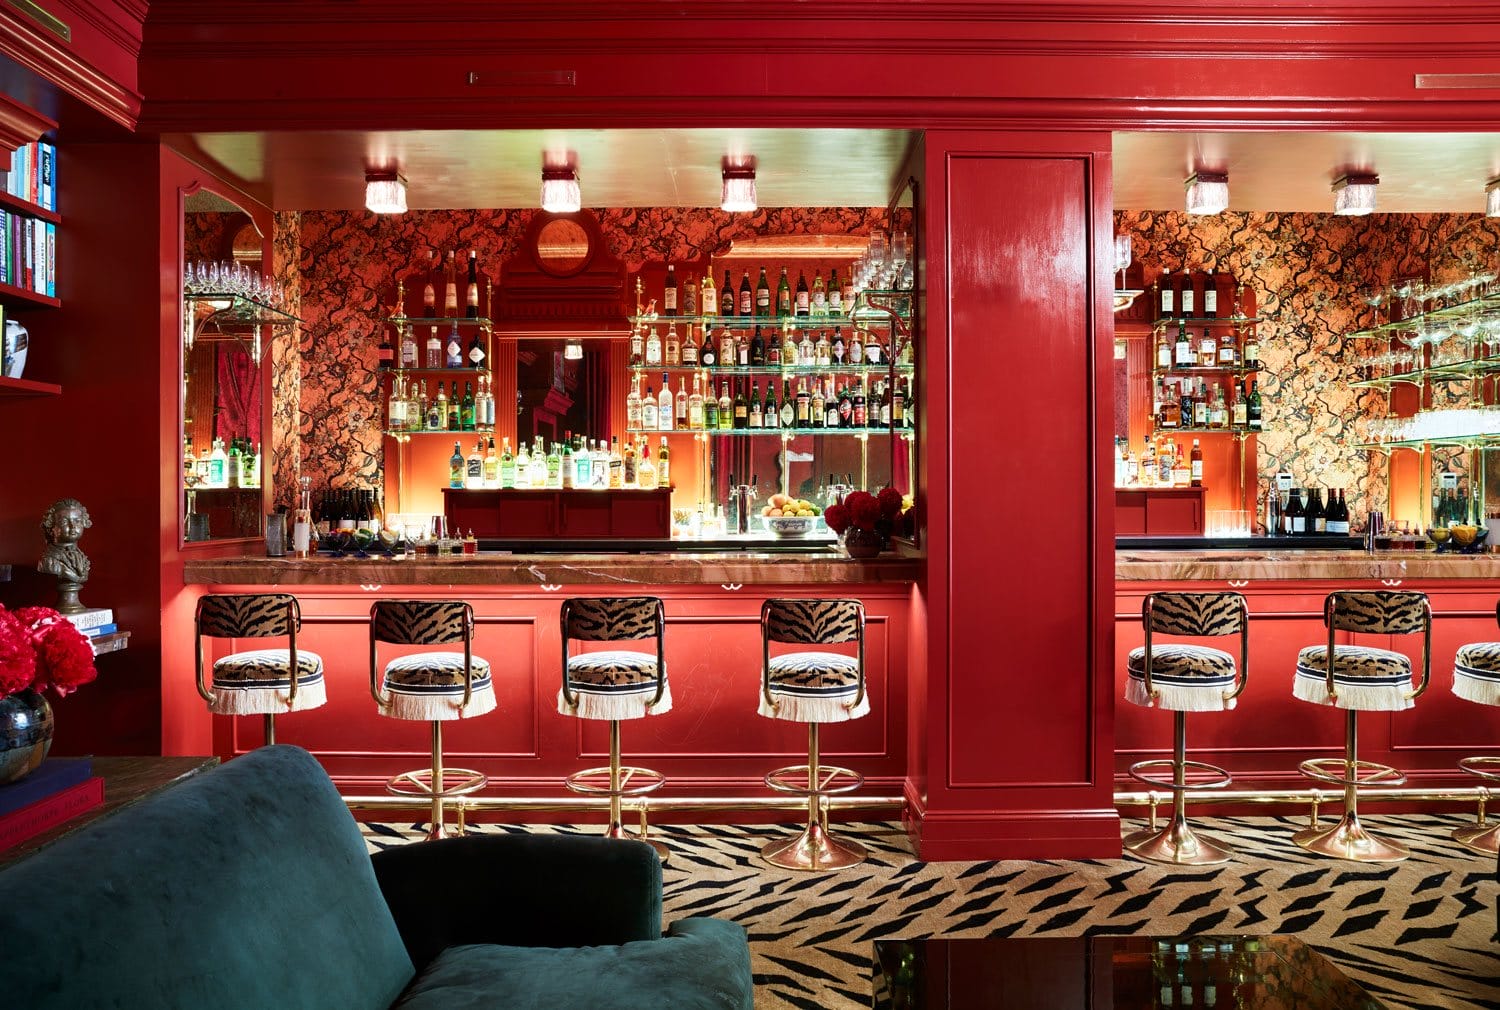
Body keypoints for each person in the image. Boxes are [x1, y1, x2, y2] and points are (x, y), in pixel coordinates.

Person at [38, 498, 92, 613]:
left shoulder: (82, 557)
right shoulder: (48, 560)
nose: (73, 526)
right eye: (64, 522)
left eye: (77, 521)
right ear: (51, 527)